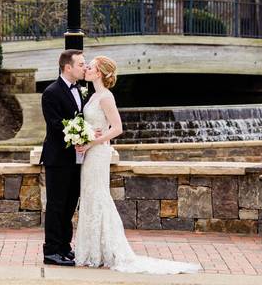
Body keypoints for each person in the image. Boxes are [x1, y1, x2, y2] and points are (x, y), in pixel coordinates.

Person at [73, 56, 200, 274]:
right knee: (89, 195)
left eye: (91, 67)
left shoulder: (105, 97)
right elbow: (94, 124)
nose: (87, 69)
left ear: (100, 73)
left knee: (98, 195)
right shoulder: (93, 95)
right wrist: (82, 134)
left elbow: (118, 127)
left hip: (98, 153)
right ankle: (92, 251)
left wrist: (91, 142)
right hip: (90, 152)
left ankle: (106, 251)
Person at [41, 49, 88, 267]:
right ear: (67, 67)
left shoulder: (81, 88)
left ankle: (64, 247)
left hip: (77, 158)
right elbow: (55, 124)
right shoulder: (51, 92)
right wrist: (82, 133)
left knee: (70, 205)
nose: (84, 67)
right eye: (80, 64)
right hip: (58, 158)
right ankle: (51, 251)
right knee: (56, 205)